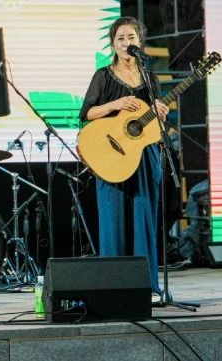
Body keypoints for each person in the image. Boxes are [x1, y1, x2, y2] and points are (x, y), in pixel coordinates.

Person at [79, 17, 169, 295]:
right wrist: (115, 104)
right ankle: (112, 287)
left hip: (143, 156)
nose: (126, 43)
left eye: (131, 37)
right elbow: (87, 113)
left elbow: (155, 128)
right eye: (120, 38)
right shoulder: (103, 76)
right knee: (113, 221)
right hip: (112, 158)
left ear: (139, 42)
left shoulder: (150, 78)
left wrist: (161, 114)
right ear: (112, 43)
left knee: (144, 219)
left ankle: (145, 286)